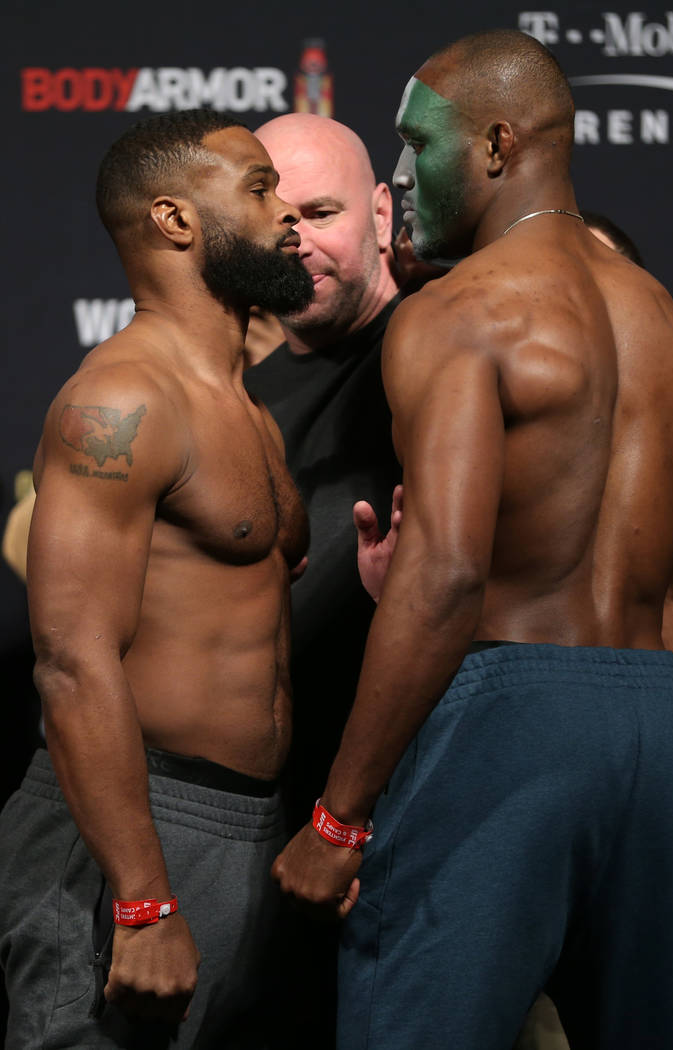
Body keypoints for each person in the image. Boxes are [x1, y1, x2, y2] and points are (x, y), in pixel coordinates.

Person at [272, 29, 673, 1050]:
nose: (403, 179)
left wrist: (338, 821)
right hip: (659, 727)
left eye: (419, 148)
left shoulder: (459, 313)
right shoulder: (669, 331)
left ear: (500, 145)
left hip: (508, 711)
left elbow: (447, 575)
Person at [0, 108, 315, 1050]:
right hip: (125, 832)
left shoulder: (244, 405)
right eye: (260, 189)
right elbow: (70, 663)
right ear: (176, 221)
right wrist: (141, 899)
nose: (287, 211)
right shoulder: (122, 399)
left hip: (239, 824)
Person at [241, 112, 402, 1049]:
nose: (294, 238)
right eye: (274, 216)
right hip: (271, 831)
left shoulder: (440, 347)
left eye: (323, 210)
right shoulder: (247, 396)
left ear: (383, 212)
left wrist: (353, 823)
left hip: (397, 817)